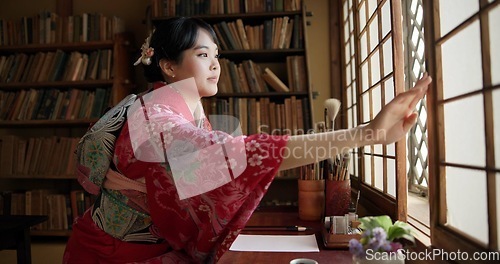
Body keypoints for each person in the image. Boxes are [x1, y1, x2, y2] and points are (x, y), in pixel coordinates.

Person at [63, 17, 432, 263]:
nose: (215, 65)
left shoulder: (175, 109)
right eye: (202, 55)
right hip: (113, 254)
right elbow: (237, 156)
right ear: (168, 66)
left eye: (217, 56)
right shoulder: (157, 119)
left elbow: (210, 173)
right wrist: (364, 134)